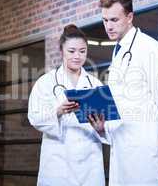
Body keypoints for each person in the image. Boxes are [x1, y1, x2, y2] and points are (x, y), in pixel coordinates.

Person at [88, 0, 158, 186]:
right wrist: (103, 127)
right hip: (123, 147)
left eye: (114, 19)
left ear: (130, 17)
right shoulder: (119, 51)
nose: (109, 26)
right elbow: (121, 102)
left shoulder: (148, 47)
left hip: (145, 148)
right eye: (105, 20)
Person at [28, 24, 105, 186]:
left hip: (89, 164)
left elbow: (108, 121)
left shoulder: (95, 84)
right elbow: (34, 117)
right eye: (71, 51)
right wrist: (58, 111)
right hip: (58, 163)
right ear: (61, 50)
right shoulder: (46, 82)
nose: (77, 56)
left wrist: (101, 128)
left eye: (82, 51)